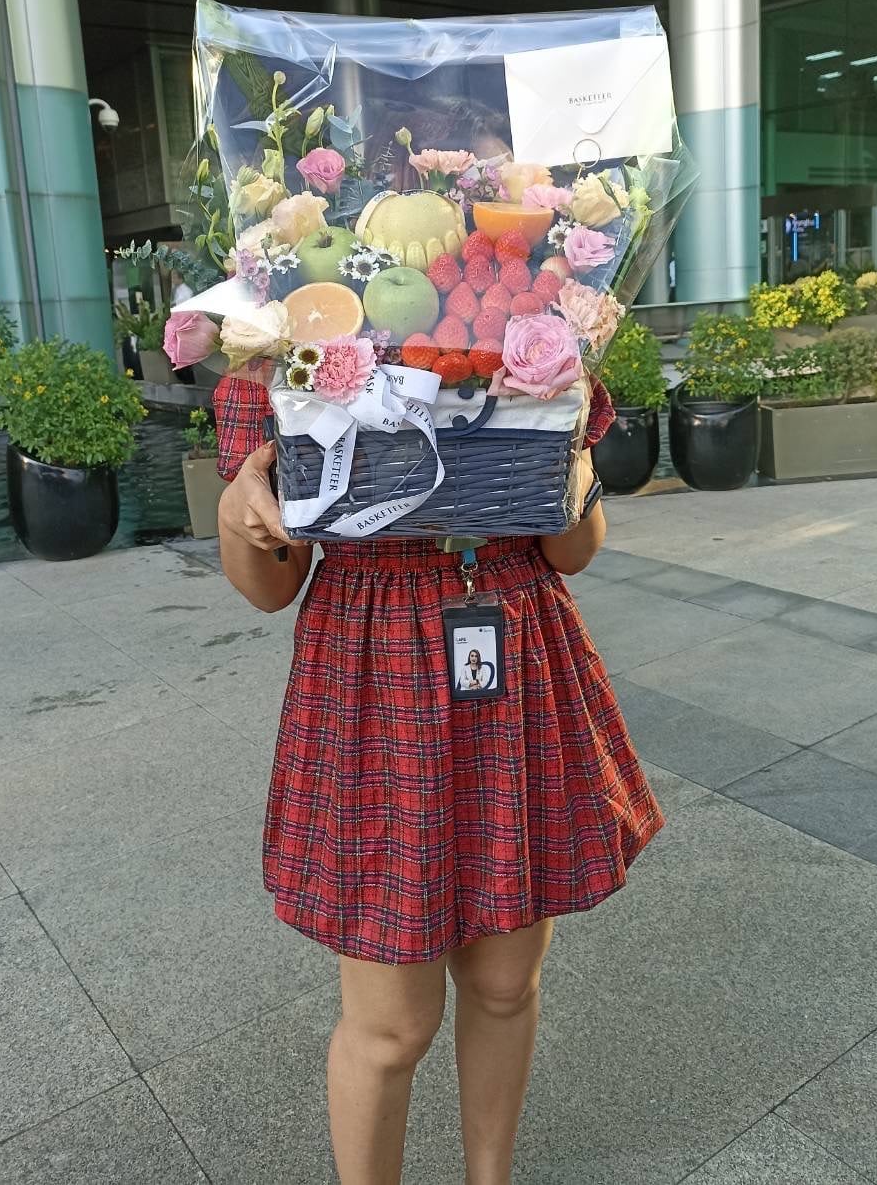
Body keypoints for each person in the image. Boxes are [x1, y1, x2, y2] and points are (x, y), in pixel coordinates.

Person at [213, 373, 664, 1185]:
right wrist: (240, 514)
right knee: (392, 1025)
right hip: (371, 661)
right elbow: (271, 586)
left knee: (502, 984)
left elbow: (574, 548)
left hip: (512, 643)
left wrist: (560, 436)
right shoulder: (288, 349)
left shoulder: (532, 329)